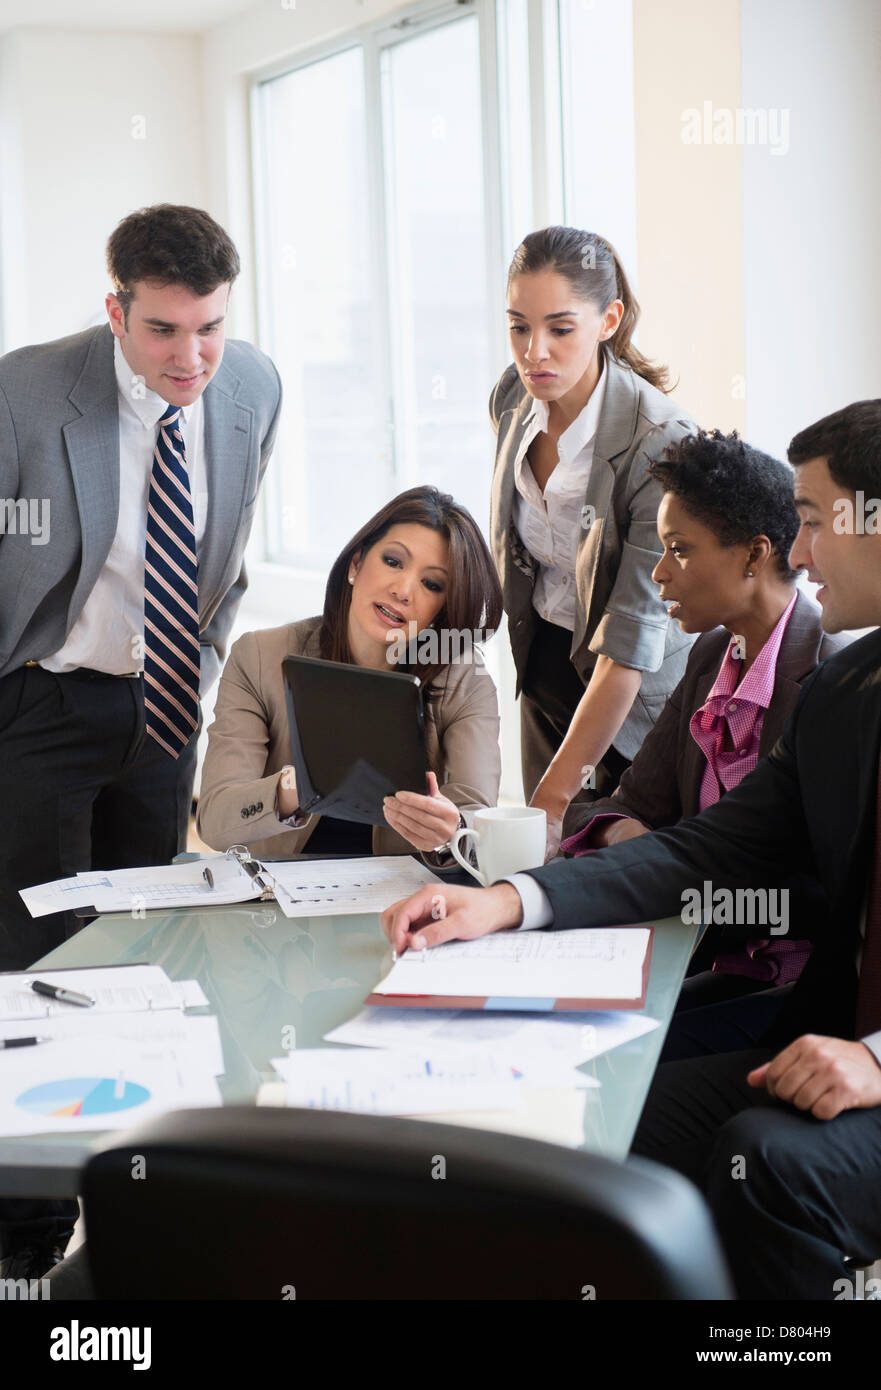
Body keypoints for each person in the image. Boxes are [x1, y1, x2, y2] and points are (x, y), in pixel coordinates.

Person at [382, 399, 881, 1301]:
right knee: (603, 1108)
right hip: (823, 1028)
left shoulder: (824, 670)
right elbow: (708, 845)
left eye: (810, 524)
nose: (800, 555)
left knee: (767, 1159)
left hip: (856, 1047)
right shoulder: (850, 689)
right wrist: (504, 901)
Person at [0, 203, 281, 1279]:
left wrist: (196, 685)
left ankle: (130, 1224)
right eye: (164, 330)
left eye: (209, 326)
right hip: (39, 705)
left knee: (143, 970)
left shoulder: (251, 385)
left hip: (162, 706)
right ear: (114, 311)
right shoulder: (26, 391)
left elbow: (226, 553)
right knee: (36, 972)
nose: (192, 356)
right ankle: (22, 1245)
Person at [561, 429, 849, 1058]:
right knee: (570, 1029)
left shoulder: (834, 675)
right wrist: (624, 835)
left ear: (753, 555)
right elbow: (616, 805)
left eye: (678, 550)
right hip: (707, 960)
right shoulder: (713, 654)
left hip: (804, 992)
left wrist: (677, 872)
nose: (660, 573)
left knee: (619, 1055)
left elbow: (821, 892)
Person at [490, 225, 697, 859]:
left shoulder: (658, 442)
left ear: (608, 320)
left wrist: (550, 803)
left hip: (634, 702)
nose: (534, 352)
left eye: (559, 328)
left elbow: (629, 647)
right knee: (549, 892)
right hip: (547, 669)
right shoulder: (510, 396)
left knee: (617, 881)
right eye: (518, 326)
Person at [197, 485, 502, 862]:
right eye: (393, 561)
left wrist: (448, 831)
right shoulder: (261, 657)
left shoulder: (466, 684)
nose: (403, 590)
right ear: (356, 564)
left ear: (443, 608)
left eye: (431, 584)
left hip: (399, 903)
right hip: (281, 904)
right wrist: (303, 784)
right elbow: (216, 820)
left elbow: (481, 826)